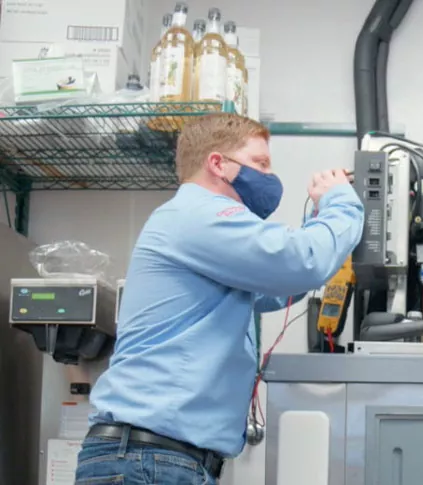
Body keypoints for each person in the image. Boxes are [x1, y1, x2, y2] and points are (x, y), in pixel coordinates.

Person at [74, 113, 365, 484]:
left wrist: (320, 227)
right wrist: (342, 202)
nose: (269, 177)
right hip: (149, 459)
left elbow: (279, 286)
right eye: (260, 163)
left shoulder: (199, 228)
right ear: (217, 164)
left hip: (159, 459)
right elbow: (301, 263)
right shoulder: (199, 215)